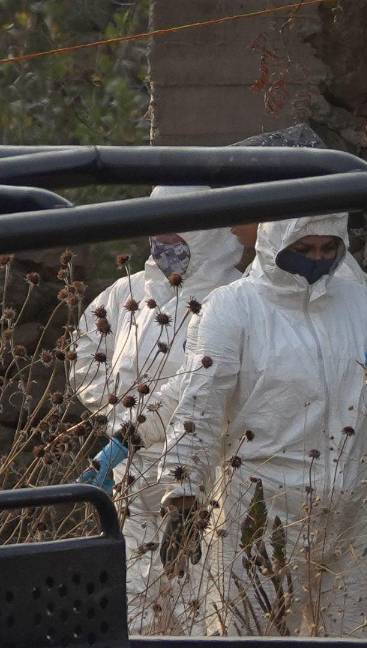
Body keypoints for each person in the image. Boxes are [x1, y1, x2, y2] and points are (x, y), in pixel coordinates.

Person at [156, 213, 367, 637]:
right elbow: (199, 406)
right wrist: (184, 496)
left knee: (355, 637)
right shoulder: (232, 308)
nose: (317, 259)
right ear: (276, 243)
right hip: (257, 514)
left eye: (327, 249)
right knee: (246, 633)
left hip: (351, 512)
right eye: (303, 249)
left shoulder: (361, 307)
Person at [71, 185, 247, 634]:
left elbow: (196, 388)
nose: (163, 247)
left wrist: (130, 429)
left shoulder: (232, 298)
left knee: (199, 602)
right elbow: (85, 355)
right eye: (158, 235)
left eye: (176, 236)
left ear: (202, 234)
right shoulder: (128, 294)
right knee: (130, 600)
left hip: (199, 482)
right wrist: (113, 406)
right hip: (130, 480)